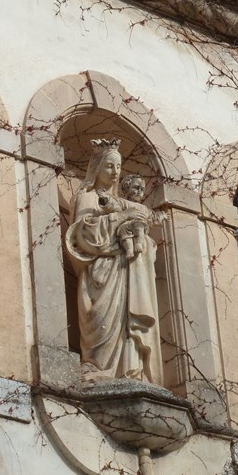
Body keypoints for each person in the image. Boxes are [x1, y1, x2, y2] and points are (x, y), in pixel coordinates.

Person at [65, 139, 163, 384]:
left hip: (125, 272)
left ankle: (131, 369)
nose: (115, 172)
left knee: (127, 326)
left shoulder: (124, 200)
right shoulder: (87, 198)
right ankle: (97, 366)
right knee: (101, 325)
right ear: (97, 167)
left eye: (118, 167)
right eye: (109, 166)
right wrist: (124, 217)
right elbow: (85, 235)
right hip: (100, 272)